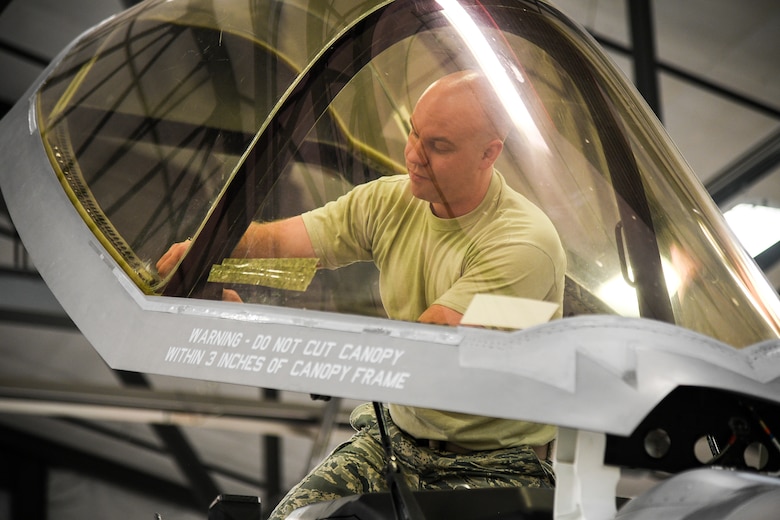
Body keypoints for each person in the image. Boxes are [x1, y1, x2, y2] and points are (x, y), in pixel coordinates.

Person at [157, 70, 566, 518]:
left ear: (490, 153)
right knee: (294, 517)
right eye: (414, 133)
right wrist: (201, 254)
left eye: (439, 146)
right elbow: (281, 243)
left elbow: (428, 349)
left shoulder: (525, 245)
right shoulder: (390, 203)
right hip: (395, 441)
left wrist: (256, 328)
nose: (414, 156)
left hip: (497, 463)